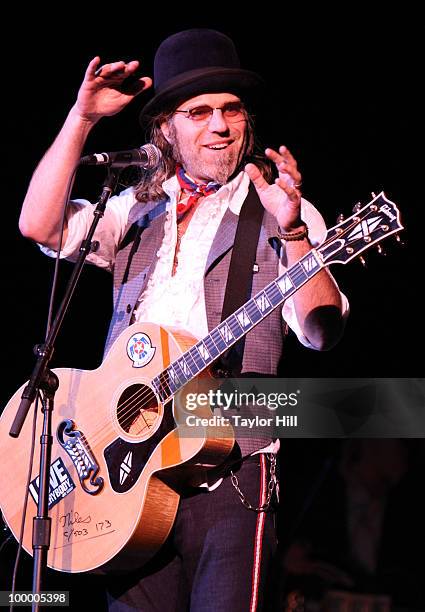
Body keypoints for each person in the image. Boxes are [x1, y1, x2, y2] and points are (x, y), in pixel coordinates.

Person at [19, 29, 348, 612]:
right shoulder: (134, 209)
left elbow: (322, 332)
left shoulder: (281, 208)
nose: (219, 126)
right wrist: (81, 119)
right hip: (127, 479)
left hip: (230, 467)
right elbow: (39, 226)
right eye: (198, 113)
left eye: (231, 110)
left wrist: (294, 232)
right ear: (166, 129)